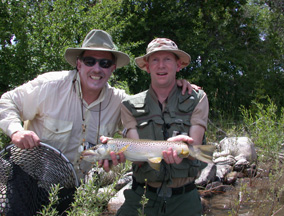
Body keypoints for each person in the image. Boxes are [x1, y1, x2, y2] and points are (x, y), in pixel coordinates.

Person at [0, 30, 196, 213]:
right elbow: (7, 101)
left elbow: (140, 124)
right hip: (27, 180)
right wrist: (16, 131)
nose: (97, 68)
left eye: (104, 63)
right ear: (78, 63)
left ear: (112, 68)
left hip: (70, 188)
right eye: (90, 61)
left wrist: (174, 87)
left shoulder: (120, 101)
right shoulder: (50, 86)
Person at [116, 38, 209, 216]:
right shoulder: (129, 105)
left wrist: (185, 150)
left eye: (167, 59)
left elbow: (196, 148)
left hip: (185, 198)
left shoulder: (198, 98)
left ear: (178, 65)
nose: (161, 66)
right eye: (155, 60)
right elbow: (137, 157)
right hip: (142, 195)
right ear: (147, 67)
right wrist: (117, 152)